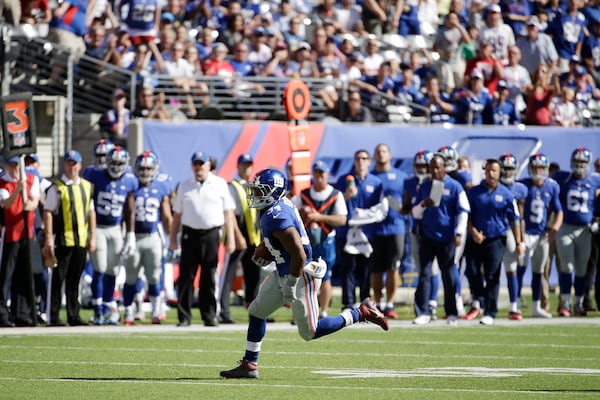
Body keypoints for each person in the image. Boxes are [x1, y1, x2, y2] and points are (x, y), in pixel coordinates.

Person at [220, 168, 388, 379]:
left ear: (275, 191)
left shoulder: (276, 215)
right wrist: (268, 246)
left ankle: (361, 312)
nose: (256, 195)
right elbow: (285, 243)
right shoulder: (275, 207)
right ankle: (250, 364)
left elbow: (299, 253)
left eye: (261, 190)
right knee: (256, 311)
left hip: (300, 274)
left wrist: (290, 284)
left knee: (310, 332)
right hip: (285, 270)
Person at [169, 151, 236, 327]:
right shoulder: (185, 185)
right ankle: (184, 316)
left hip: (211, 234)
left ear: (208, 165)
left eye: (202, 164)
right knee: (186, 276)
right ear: (192, 166)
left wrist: (231, 238)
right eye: (196, 164)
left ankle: (209, 315)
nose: (198, 167)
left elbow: (228, 213)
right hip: (189, 234)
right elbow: (177, 214)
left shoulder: (220, 184)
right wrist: (172, 238)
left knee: (209, 276)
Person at [411, 153, 470, 325]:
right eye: (431, 168)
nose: (434, 171)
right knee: (425, 274)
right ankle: (423, 312)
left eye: (437, 167)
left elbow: (463, 211)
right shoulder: (424, 185)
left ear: (444, 168)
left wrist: (459, 233)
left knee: (449, 276)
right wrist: (423, 204)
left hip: (447, 238)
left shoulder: (455, 186)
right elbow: (414, 212)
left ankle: (451, 313)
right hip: (427, 236)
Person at [465, 158, 524, 325]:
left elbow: (514, 219)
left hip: (496, 239)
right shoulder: (474, 192)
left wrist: (519, 242)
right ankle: (480, 297)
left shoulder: (506, 194)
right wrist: (473, 231)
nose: (491, 174)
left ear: (500, 173)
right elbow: (466, 215)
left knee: (492, 275)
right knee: (472, 272)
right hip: (475, 239)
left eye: (494, 171)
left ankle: (490, 311)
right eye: (488, 170)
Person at [83, 146, 138, 325]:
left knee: (112, 270)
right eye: (113, 163)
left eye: (119, 163)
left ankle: (107, 307)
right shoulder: (95, 175)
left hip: (115, 229)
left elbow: (129, 211)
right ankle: (97, 310)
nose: (115, 167)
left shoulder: (130, 181)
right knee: (99, 268)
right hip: (98, 227)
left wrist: (130, 234)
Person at [43, 150, 96, 326]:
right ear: (64, 165)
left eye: (75, 164)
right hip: (63, 239)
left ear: (80, 165)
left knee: (75, 279)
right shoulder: (57, 187)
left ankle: (74, 315)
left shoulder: (87, 186)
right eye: (69, 163)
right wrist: (49, 238)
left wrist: (92, 237)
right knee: (58, 279)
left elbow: (91, 212)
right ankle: (54, 316)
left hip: (81, 239)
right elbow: (48, 212)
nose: (72, 167)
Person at [122, 151, 173, 325]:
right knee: (131, 277)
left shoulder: (160, 187)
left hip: (153, 237)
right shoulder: (131, 186)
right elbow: (126, 213)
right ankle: (129, 312)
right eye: (142, 168)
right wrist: (126, 235)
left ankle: (156, 311)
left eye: (148, 168)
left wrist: (173, 239)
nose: (144, 172)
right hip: (134, 237)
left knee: (153, 276)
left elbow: (166, 216)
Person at [293, 159, 348, 319]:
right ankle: (305, 311)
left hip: (326, 240)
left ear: (327, 175)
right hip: (307, 240)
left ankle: (323, 310)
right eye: (316, 173)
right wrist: (303, 215)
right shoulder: (303, 194)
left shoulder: (335, 194)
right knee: (303, 276)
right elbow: (292, 212)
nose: (319, 177)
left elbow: (342, 219)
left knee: (325, 276)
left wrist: (319, 217)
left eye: (322, 173)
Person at [334, 149, 385, 311]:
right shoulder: (344, 180)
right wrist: (346, 195)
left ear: (369, 161)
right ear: (354, 161)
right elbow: (333, 201)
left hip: (367, 232)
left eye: (364, 158)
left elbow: (379, 209)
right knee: (348, 268)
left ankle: (364, 302)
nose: (361, 161)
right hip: (346, 231)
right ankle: (348, 303)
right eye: (358, 158)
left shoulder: (376, 183)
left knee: (365, 269)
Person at [553, 147, 600, 317]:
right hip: (566, 227)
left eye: (583, 162)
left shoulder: (595, 180)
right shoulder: (562, 178)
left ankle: (578, 303)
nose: (579, 165)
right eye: (577, 161)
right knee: (567, 265)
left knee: (581, 269)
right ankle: (565, 303)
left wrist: (596, 218)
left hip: (585, 229)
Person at [219, 154, 262, 324]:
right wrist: (237, 236)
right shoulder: (232, 186)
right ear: (238, 166)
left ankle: (256, 311)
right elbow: (231, 214)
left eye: (249, 165)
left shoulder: (253, 186)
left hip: (253, 237)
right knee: (229, 275)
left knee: (254, 276)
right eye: (244, 165)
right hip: (238, 235)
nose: (247, 168)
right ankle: (223, 311)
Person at [519, 153, 563, 318]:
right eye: (535, 167)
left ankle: (536, 306)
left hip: (542, 234)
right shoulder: (522, 185)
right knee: (520, 269)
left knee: (538, 272)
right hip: (525, 234)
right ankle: (514, 305)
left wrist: (555, 229)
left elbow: (559, 211)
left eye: (540, 167)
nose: (537, 170)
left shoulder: (551, 186)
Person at [0, 156, 40, 327]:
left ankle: (21, 312)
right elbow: (6, 203)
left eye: (17, 164)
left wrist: (29, 204)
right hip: (10, 234)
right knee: (6, 274)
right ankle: (2, 313)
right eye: (12, 165)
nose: (15, 168)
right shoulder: (3, 182)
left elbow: (34, 202)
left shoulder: (32, 179)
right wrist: (18, 190)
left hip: (26, 233)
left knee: (25, 273)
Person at [370, 144, 407, 319]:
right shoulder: (369, 177)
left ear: (390, 155)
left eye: (384, 151)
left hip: (396, 227)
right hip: (375, 229)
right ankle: (378, 303)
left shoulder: (401, 177)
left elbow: (408, 202)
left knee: (394, 267)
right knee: (376, 269)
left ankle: (390, 304)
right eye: (377, 151)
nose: (380, 154)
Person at [498, 153, 527, 320]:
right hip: (494, 232)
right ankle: (483, 303)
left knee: (512, 269)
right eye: (505, 168)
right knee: (489, 271)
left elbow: (520, 218)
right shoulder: (492, 186)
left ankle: (514, 305)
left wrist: (520, 240)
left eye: (510, 169)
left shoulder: (520, 189)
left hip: (510, 231)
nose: (508, 172)